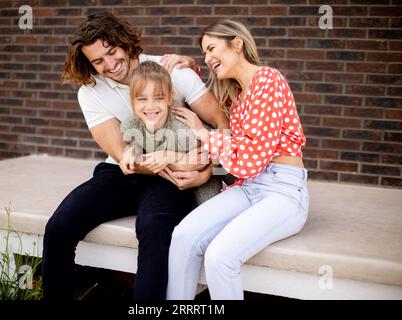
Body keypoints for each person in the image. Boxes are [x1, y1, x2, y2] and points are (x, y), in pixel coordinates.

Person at [41, 11, 229, 300]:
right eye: (97, 61)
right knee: (59, 227)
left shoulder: (173, 71)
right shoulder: (90, 91)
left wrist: (204, 168)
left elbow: (222, 125)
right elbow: (121, 154)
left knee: (155, 228)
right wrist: (179, 160)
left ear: (124, 43)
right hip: (125, 172)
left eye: (111, 51)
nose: (109, 64)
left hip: (168, 180)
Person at [166, 19, 309, 300]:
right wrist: (192, 68)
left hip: (283, 192)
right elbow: (220, 106)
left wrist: (202, 133)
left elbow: (250, 159)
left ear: (238, 43)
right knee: (183, 236)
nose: (208, 59)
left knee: (220, 256)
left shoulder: (269, 80)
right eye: (204, 54)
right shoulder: (239, 95)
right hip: (248, 187)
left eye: (211, 49)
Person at [120, 60, 222, 204]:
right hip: (172, 181)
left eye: (159, 98)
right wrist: (131, 151)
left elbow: (207, 156)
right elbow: (136, 141)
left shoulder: (181, 129)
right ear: (132, 100)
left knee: (210, 208)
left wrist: (170, 156)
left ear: (169, 98)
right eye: (142, 99)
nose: (150, 106)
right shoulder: (131, 125)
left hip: (205, 178)